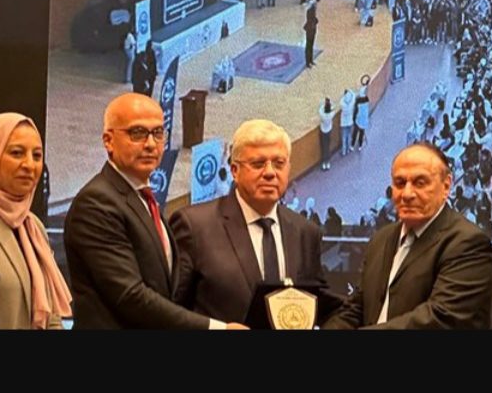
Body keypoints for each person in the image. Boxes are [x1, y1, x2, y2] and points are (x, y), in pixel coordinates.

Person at [64, 93, 247, 329]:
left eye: (158, 133)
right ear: (108, 141)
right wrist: (215, 328)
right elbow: (130, 296)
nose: (151, 144)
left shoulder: (143, 198)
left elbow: (165, 290)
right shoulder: (97, 203)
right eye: (137, 133)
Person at [170, 119, 342, 327]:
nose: (270, 173)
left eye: (279, 163)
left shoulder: (305, 232)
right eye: (258, 164)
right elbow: (169, 312)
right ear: (235, 171)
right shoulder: (194, 226)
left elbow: (319, 303)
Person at [322, 143, 492, 329]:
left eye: (420, 183)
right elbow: (356, 308)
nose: (407, 194)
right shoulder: (381, 239)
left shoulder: (468, 244)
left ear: (446, 186)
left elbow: (439, 318)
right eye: (400, 183)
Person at [0, 113, 72, 329]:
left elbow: (52, 320)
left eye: (37, 156)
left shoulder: (33, 226)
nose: (29, 165)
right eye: (16, 153)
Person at [319, 97, 334, 170]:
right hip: (329, 130)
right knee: (327, 146)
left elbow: (320, 109)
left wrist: (324, 104)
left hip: (323, 131)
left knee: (324, 147)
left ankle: (324, 162)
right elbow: (333, 108)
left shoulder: (322, 114)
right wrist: (329, 103)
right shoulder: (331, 114)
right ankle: (327, 162)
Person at [304, 0, 319, 68]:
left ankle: (310, 60)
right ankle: (308, 62)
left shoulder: (312, 11)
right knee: (309, 46)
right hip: (310, 31)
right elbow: (312, 20)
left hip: (312, 31)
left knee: (311, 46)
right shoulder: (310, 12)